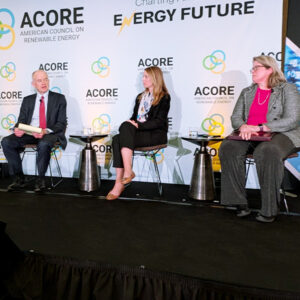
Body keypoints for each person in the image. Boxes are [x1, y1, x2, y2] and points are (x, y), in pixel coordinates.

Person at [219, 55, 300, 223]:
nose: (253, 71)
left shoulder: (287, 89)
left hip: (281, 134)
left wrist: (261, 127)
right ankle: (237, 201)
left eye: (256, 67)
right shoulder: (247, 92)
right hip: (250, 134)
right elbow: (236, 117)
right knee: (228, 147)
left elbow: (293, 119)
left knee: (268, 151)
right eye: (252, 68)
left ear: (270, 69)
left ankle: (269, 209)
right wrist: (242, 126)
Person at [106, 66, 171, 200]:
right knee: (118, 137)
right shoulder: (140, 97)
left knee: (122, 132)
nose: (143, 79)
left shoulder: (164, 97)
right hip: (138, 134)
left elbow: (159, 122)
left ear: (155, 78)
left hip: (155, 135)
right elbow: (134, 118)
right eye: (143, 76)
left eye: (146, 76)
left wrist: (138, 125)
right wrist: (132, 123)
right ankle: (123, 177)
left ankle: (123, 178)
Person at [1, 70, 67, 192]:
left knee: (44, 143)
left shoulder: (59, 98)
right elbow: (21, 121)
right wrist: (18, 129)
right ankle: (19, 178)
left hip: (49, 134)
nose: (44, 83)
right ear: (33, 84)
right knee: (6, 141)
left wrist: (45, 131)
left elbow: (61, 123)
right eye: (39, 80)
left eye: (46, 79)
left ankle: (40, 179)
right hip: (30, 133)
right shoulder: (27, 100)